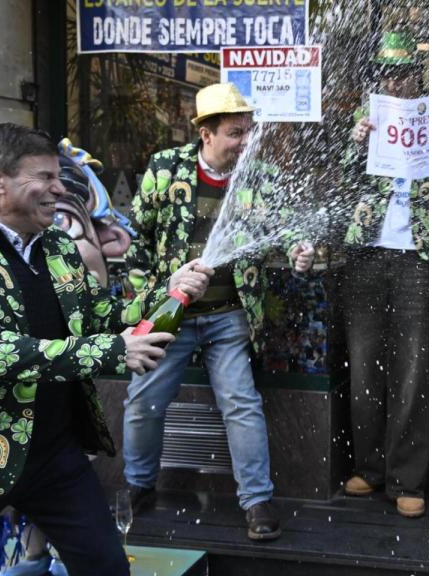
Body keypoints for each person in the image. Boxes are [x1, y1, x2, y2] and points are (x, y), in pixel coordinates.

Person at [0, 123, 212, 575]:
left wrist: (170, 292)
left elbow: (102, 313)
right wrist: (111, 352)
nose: (58, 189)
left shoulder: (56, 246)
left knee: (107, 567)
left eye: (59, 177)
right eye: (44, 177)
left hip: (55, 456)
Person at [121, 82, 314, 542]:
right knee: (142, 404)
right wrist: (153, 298)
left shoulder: (260, 176)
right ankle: (137, 485)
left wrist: (301, 251)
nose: (246, 141)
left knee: (242, 404)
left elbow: (286, 231)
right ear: (205, 134)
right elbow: (138, 243)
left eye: (249, 131)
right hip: (171, 316)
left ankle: (257, 501)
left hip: (230, 316)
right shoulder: (166, 169)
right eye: (234, 133)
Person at [342, 30, 429, 518]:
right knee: (364, 364)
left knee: (414, 368)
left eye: (402, 74)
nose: (394, 82)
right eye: (386, 74)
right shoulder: (365, 121)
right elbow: (339, 178)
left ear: (416, 79)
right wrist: (354, 142)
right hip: (365, 255)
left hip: (420, 257)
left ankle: (407, 478)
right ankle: (370, 467)